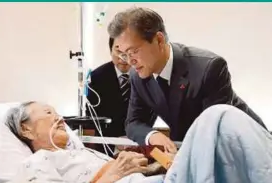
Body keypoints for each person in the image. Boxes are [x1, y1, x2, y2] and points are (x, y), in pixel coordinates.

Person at [3, 101, 272, 183]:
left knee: (223, 142)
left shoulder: (83, 153)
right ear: (26, 129)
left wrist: (154, 168)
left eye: (56, 111)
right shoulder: (37, 162)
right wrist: (113, 176)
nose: (59, 116)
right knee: (218, 119)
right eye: (48, 113)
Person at [107, 7, 267, 153]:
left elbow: (215, 131)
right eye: (123, 54)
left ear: (159, 40)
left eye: (133, 51)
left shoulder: (208, 68)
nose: (129, 61)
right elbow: (134, 122)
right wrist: (152, 135)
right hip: (196, 148)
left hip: (247, 147)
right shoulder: (139, 76)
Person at [87, 37, 132, 155]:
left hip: (137, 142)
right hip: (106, 144)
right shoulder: (97, 77)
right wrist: (115, 141)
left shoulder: (145, 74)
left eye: (128, 51)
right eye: (118, 51)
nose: (123, 57)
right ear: (111, 50)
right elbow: (92, 115)